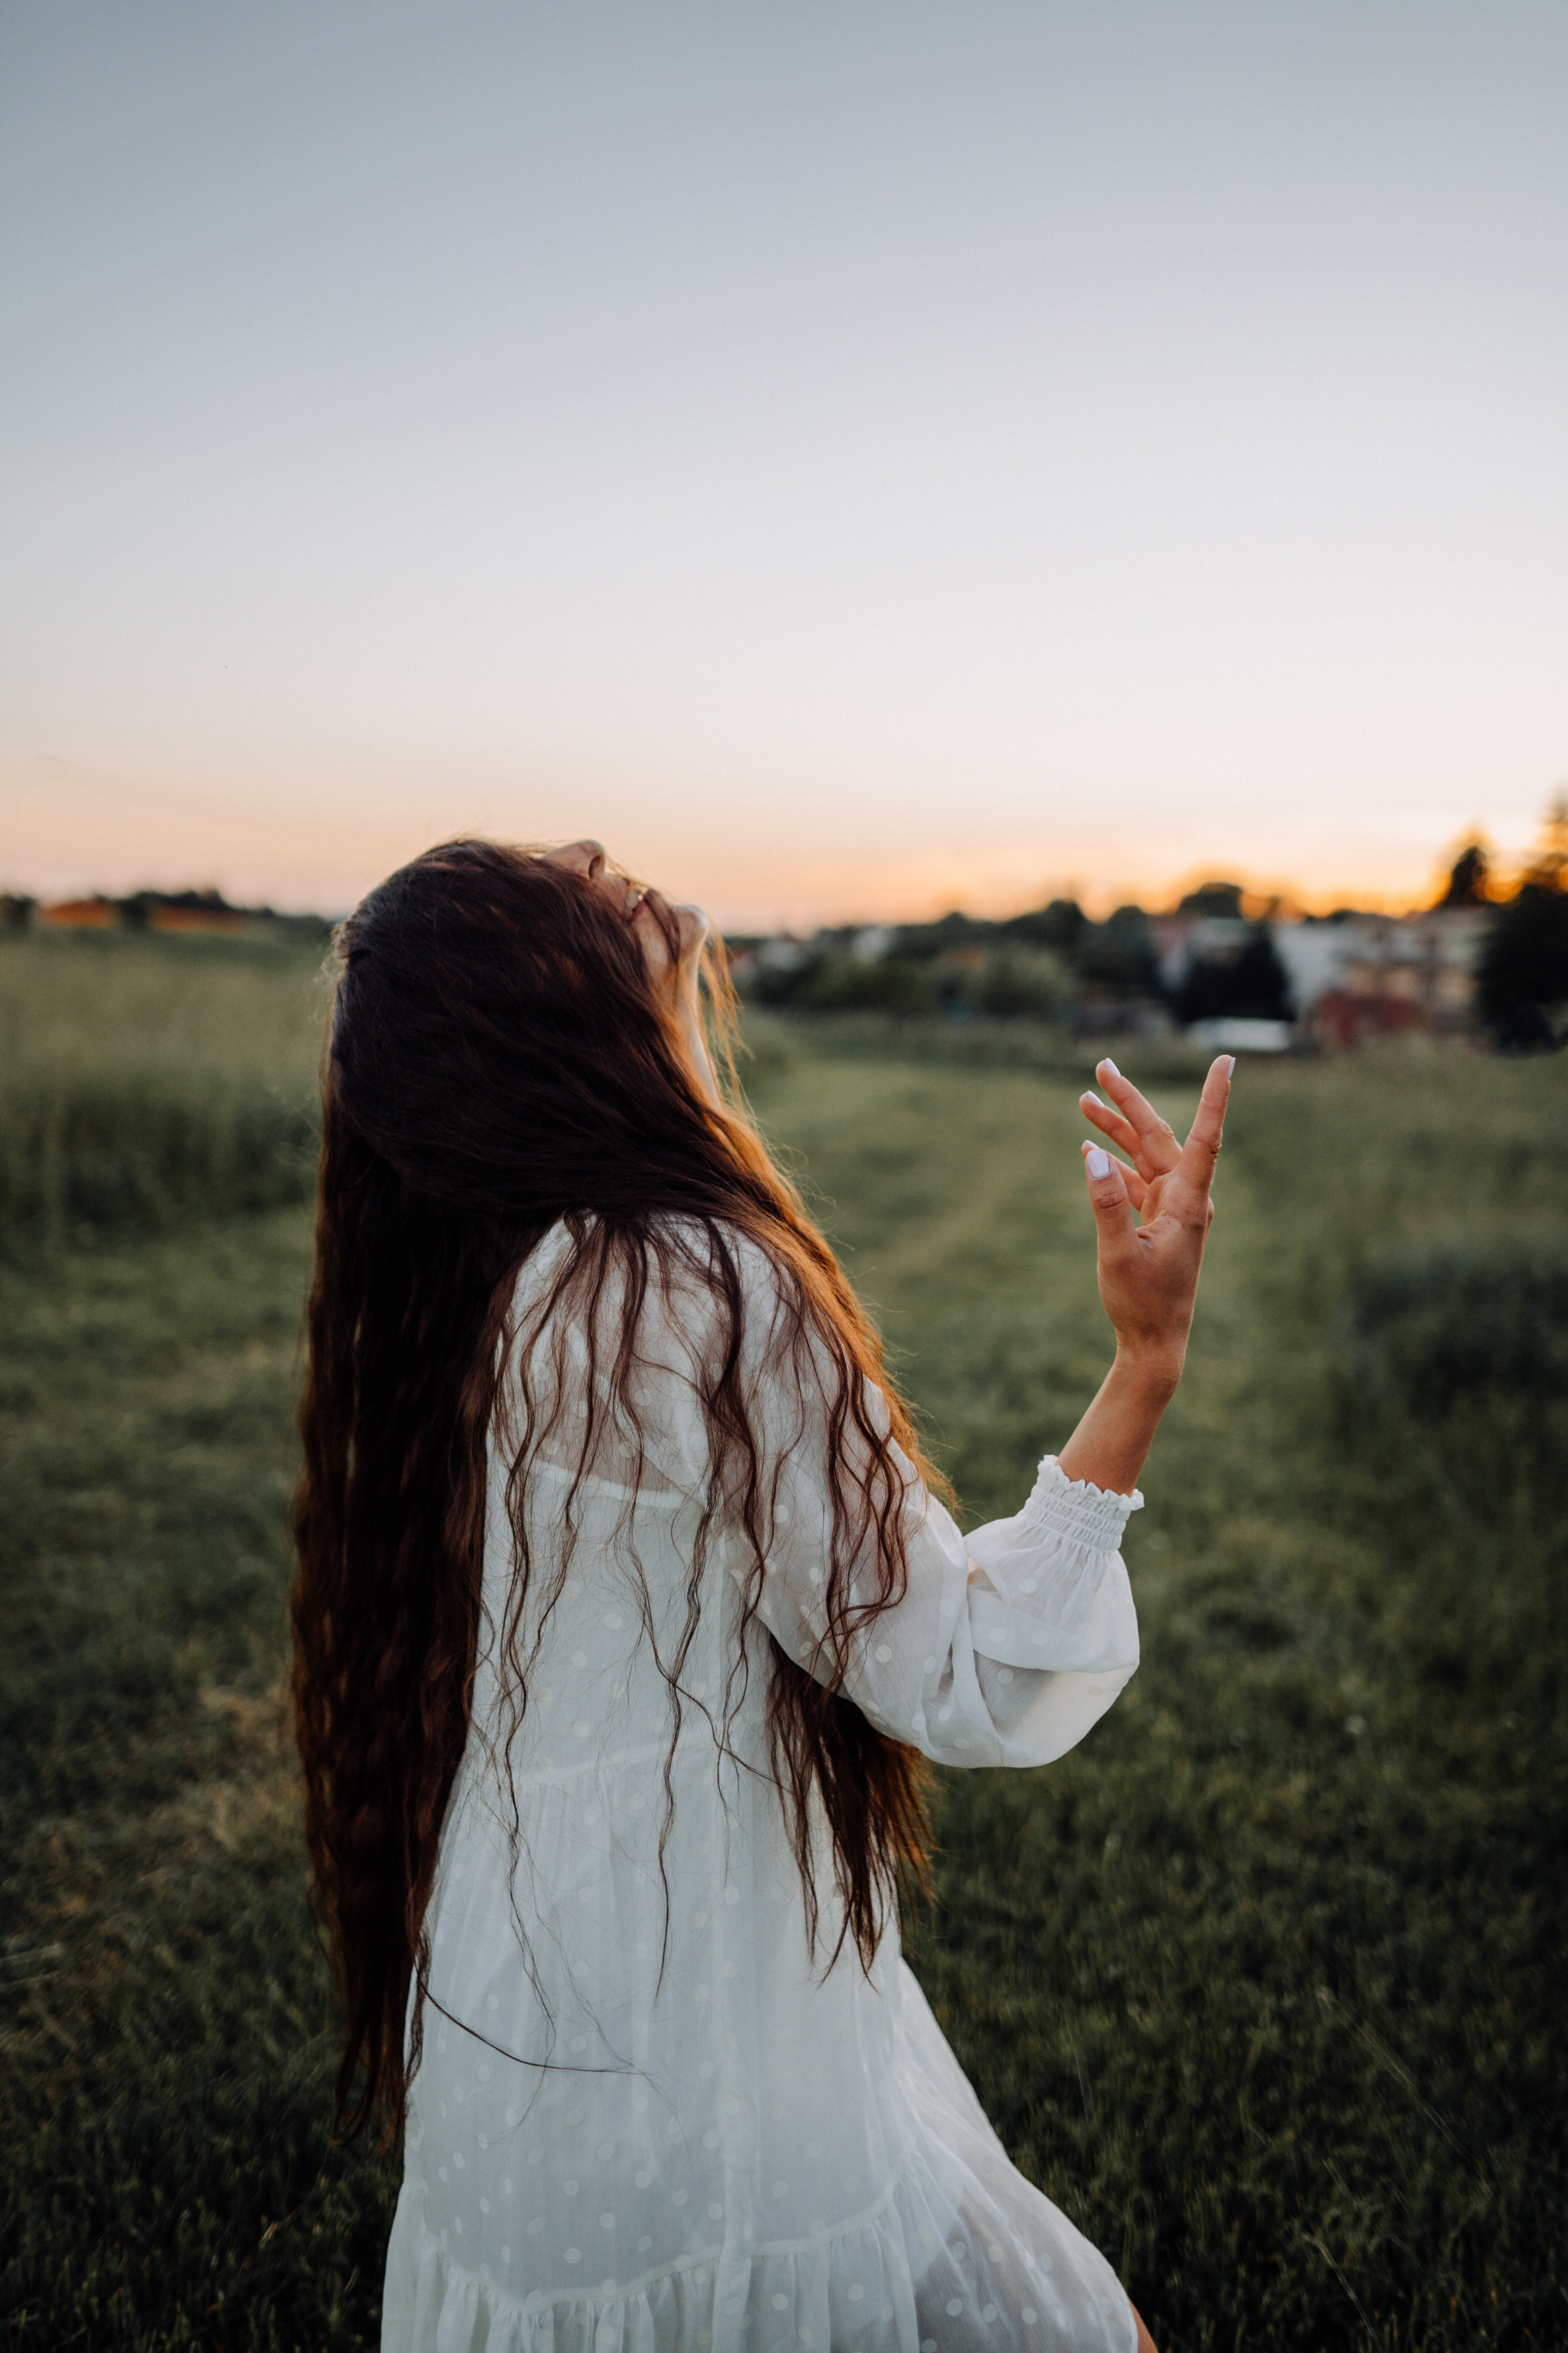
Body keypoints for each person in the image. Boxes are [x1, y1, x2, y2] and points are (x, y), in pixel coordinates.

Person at [292, 838, 1232, 2353]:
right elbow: (961, 1670)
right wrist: (1147, 1360)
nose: (599, 856)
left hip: (523, 1980)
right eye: (562, 881)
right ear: (549, 1006)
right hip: (707, 1981)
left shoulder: (488, 1272)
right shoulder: (699, 1283)